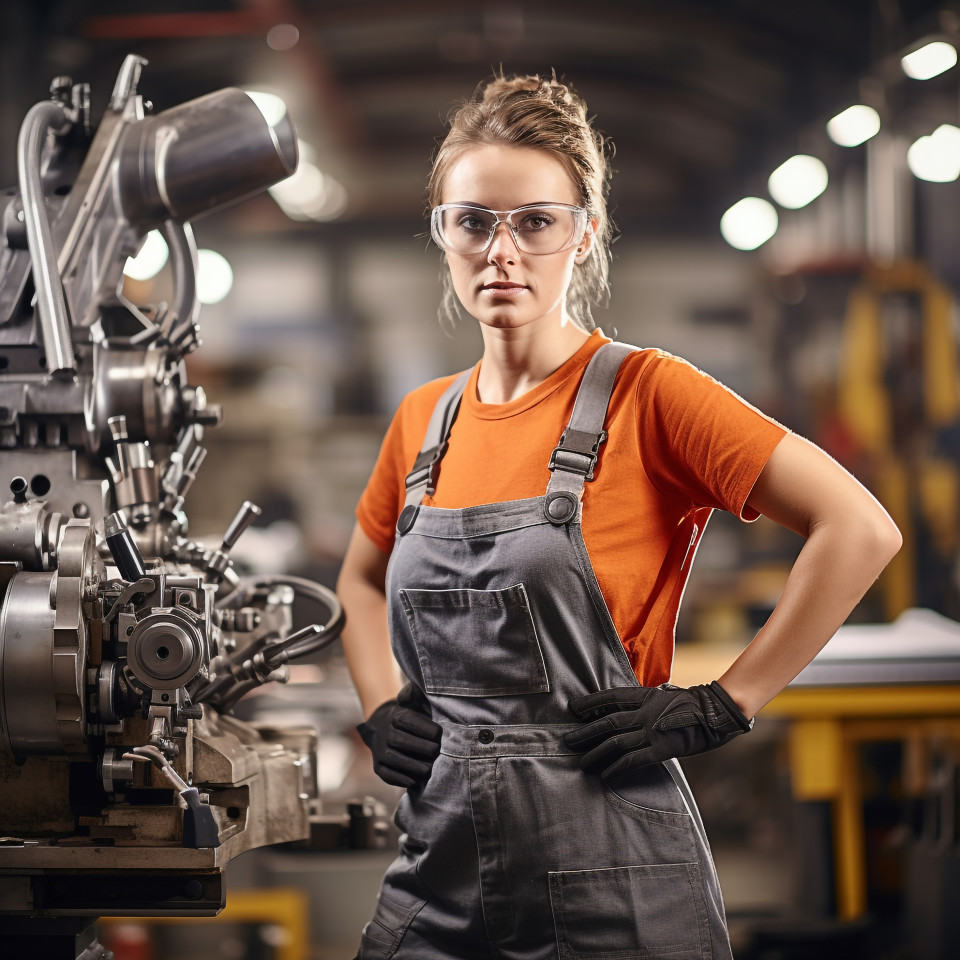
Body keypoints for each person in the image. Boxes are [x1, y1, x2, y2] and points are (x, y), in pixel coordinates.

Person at [336, 72, 901, 960]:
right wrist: (380, 708)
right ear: (442, 233)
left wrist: (727, 702)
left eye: (536, 220)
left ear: (584, 232)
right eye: (473, 220)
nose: (502, 252)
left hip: (608, 863)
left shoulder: (651, 395)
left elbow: (860, 528)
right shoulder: (424, 421)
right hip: (439, 862)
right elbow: (361, 579)